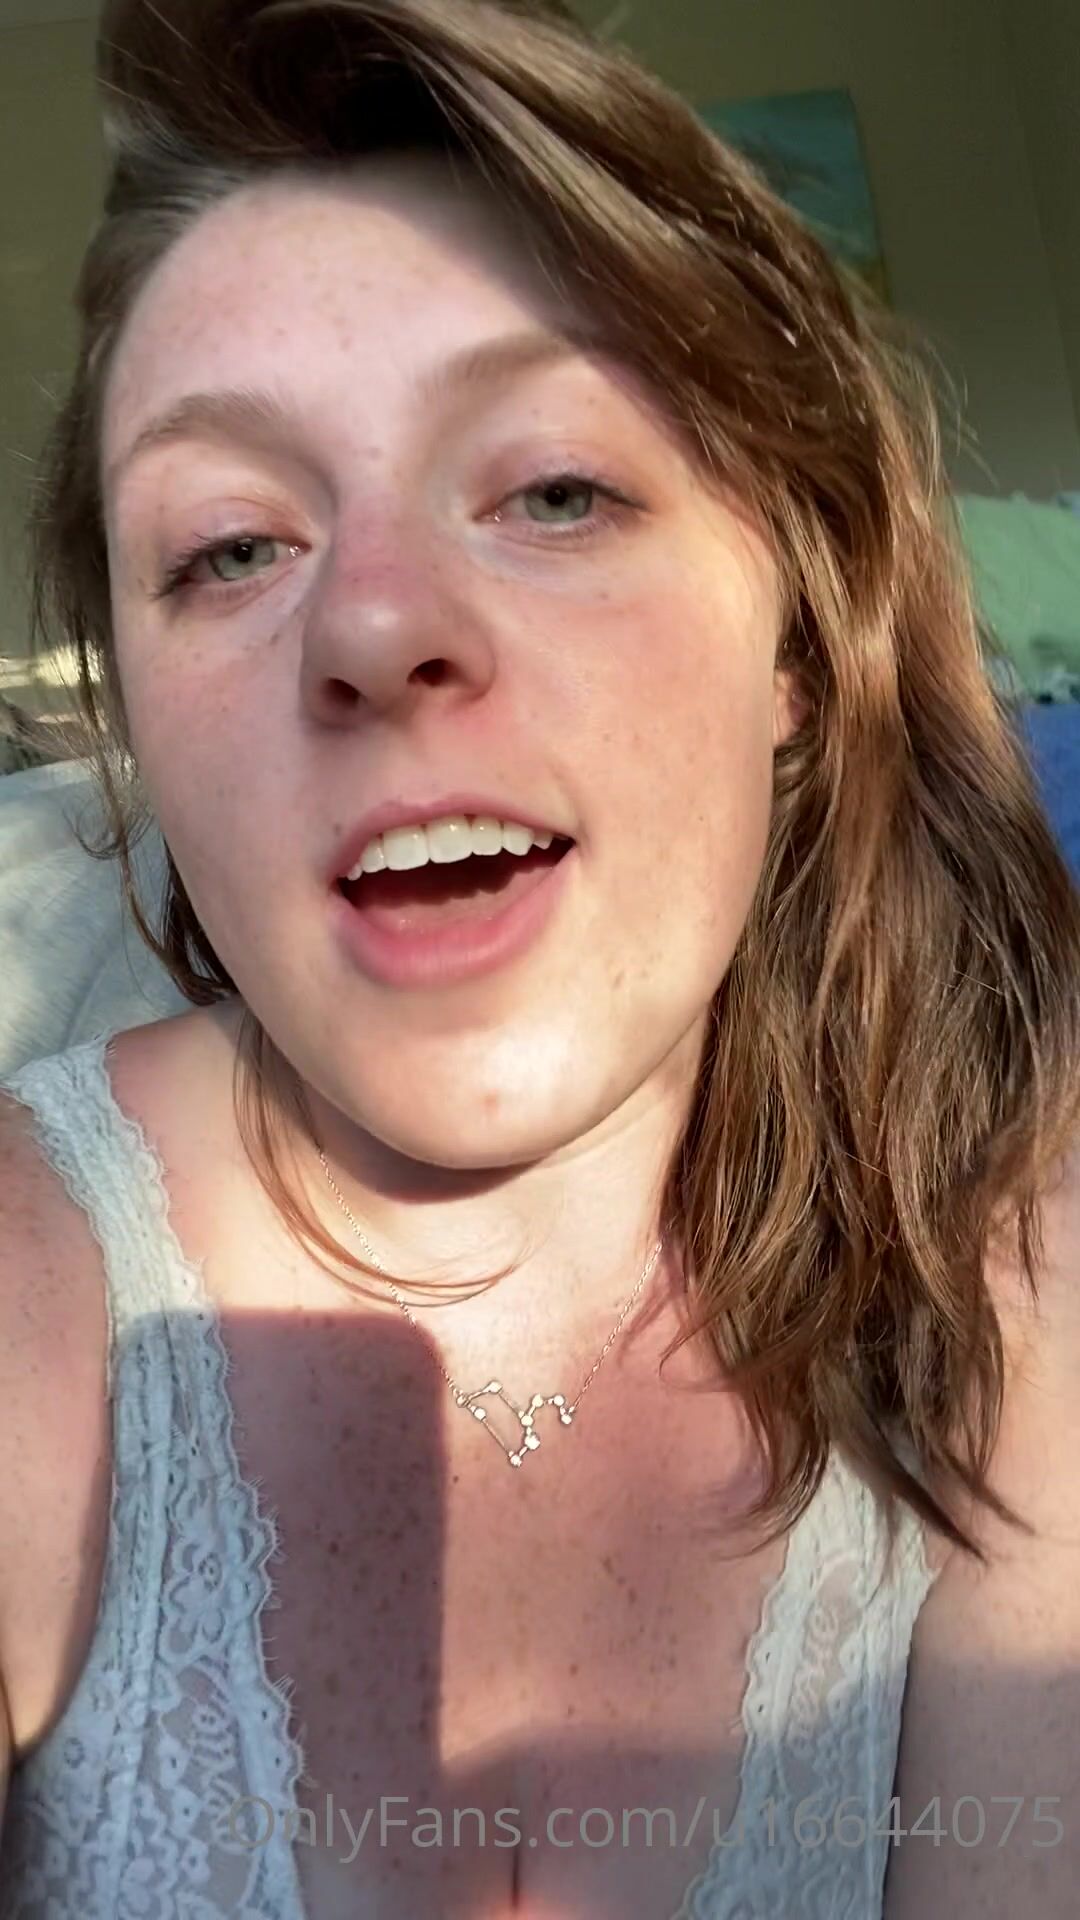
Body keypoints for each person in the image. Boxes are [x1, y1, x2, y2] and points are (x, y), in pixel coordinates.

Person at [1, 1, 1078, 1914]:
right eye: (231, 546)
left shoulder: (1018, 1262)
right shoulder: (33, 1281)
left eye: (556, 490)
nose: (374, 623)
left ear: (800, 641)